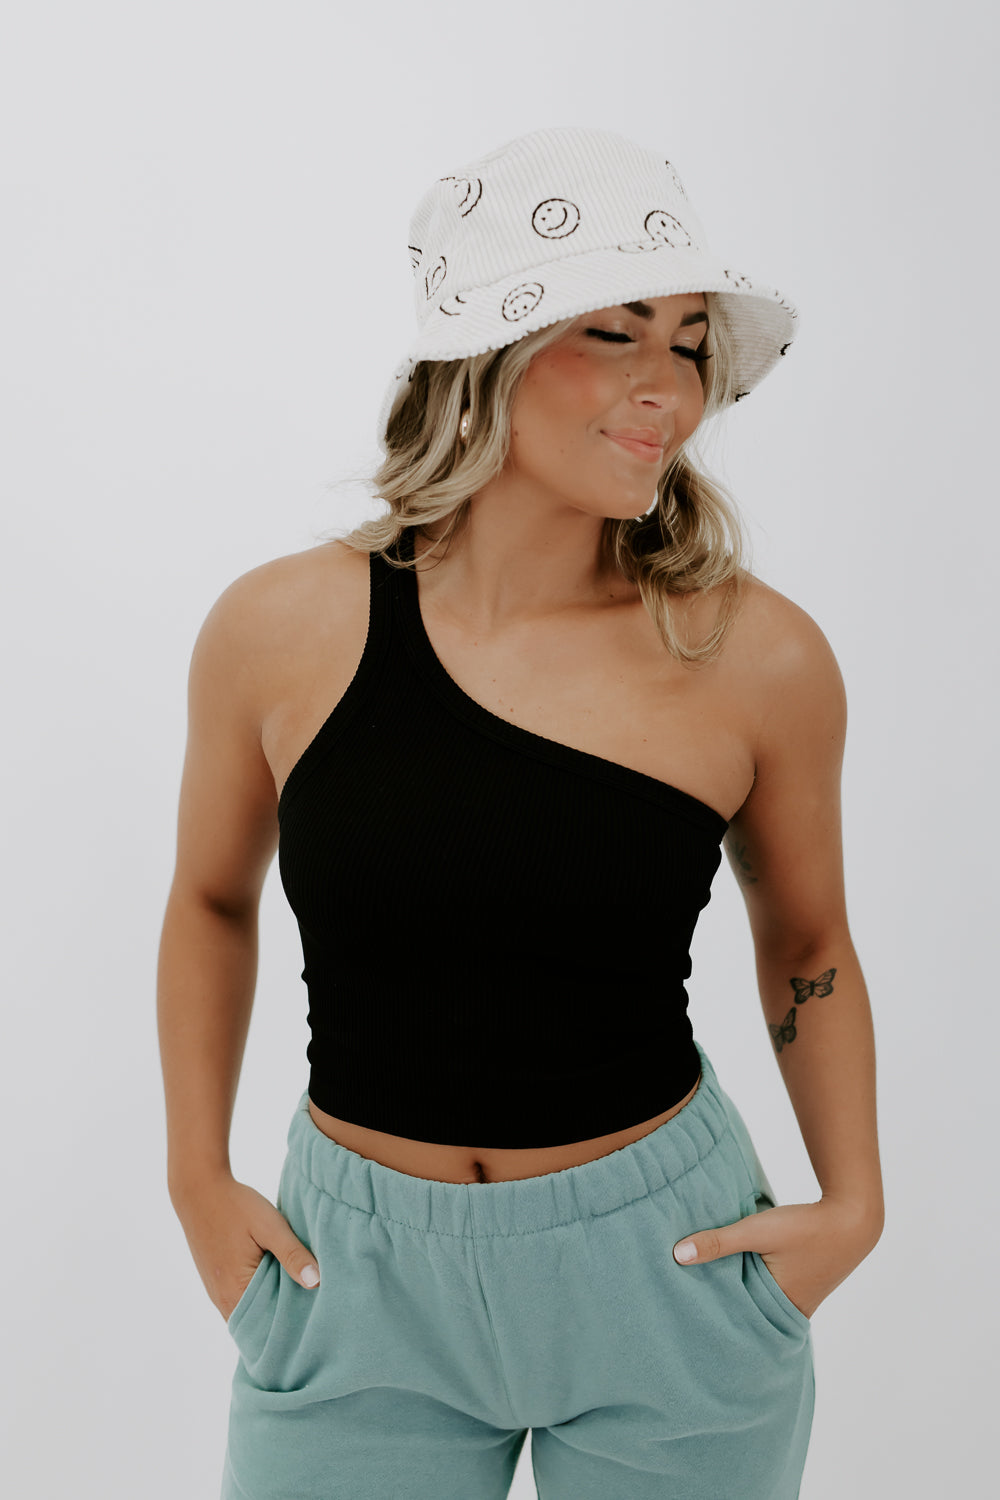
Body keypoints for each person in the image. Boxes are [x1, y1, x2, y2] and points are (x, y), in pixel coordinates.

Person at [157, 125, 884, 1500]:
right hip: (349, 1279)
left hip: (667, 1272)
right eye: (614, 332)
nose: (667, 387)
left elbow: (807, 938)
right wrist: (197, 1175)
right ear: (481, 359)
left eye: (689, 343)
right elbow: (208, 898)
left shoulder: (755, 656)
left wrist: (853, 1207)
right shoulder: (279, 629)